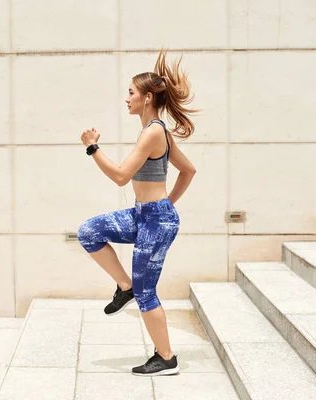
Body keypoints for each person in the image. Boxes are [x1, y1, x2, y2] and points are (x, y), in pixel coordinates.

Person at [77, 49, 198, 376]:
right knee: (89, 232)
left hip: (155, 222)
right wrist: (168, 203)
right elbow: (188, 171)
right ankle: (124, 285)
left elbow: (120, 176)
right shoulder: (158, 131)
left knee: (148, 293)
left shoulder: (154, 132)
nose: (126, 99)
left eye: (130, 93)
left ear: (146, 99)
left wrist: (92, 147)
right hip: (144, 214)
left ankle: (166, 357)